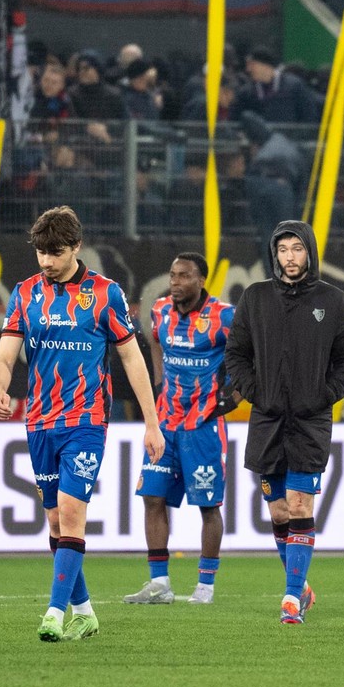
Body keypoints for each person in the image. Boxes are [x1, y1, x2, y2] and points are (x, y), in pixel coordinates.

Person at [0, 206, 165, 642]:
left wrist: (152, 422)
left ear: (76, 248)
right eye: (40, 253)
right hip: (39, 421)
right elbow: (6, 354)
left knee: (70, 513)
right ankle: (84, 611)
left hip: (86, 420)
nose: (46, 261)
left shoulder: (105, 294)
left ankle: (53, 611)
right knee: (54, 521)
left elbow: (131, 358)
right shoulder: (26, 293)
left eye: (55, 252)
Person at [223, 220, 344, 625]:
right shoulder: (256, 297)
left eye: (297, 249)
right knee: (280, 512)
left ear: (309, 253)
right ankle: (300, 586)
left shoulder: (332, 300)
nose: (290, 257)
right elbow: (236, 354)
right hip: (267, 421)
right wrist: (255, 392)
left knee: (301, 504)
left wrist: (322, 395)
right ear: (274, 254)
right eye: (283, 249)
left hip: (310, 422)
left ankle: (289, 597)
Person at [125, 253, 235, 606]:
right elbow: (155, 341)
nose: (175, 281)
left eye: (183, 276)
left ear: (201, 280)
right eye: (172, 275)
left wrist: (235, 396)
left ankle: (205, 585)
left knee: (208, 506)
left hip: (203, 426)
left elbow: (251, 354)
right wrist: (159, 384)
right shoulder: (160, 311)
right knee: (152, 497)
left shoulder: (224, 316)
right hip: (165, 424)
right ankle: (159, 583)